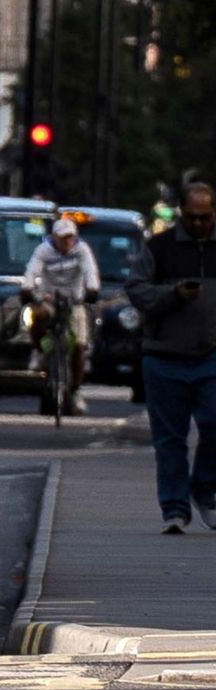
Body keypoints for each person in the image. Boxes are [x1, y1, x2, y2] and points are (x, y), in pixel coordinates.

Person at [124, 181, 216, 534]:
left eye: (205, 218)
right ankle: (175, 508)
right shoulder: (159, 249)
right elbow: (136, 290)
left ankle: (204, 489)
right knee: (170, 439)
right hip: (164, 357)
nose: (199, 225)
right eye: (192, 218)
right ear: (181, 213)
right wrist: (173, 294)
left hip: (210, 355)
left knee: (213, 424)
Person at [23, 217, 102, 415]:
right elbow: (32, 271)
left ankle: (75, 389)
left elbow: (90, 270)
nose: (67, 242)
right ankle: (37, 349)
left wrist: (92, 289)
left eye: (70, 238)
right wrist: (28, 288)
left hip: (74, 301)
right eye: (62, 238)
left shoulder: (81, 250)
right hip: (50, 299)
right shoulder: (44, 250)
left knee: (78, 345)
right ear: (54, 237)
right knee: (36, 314)